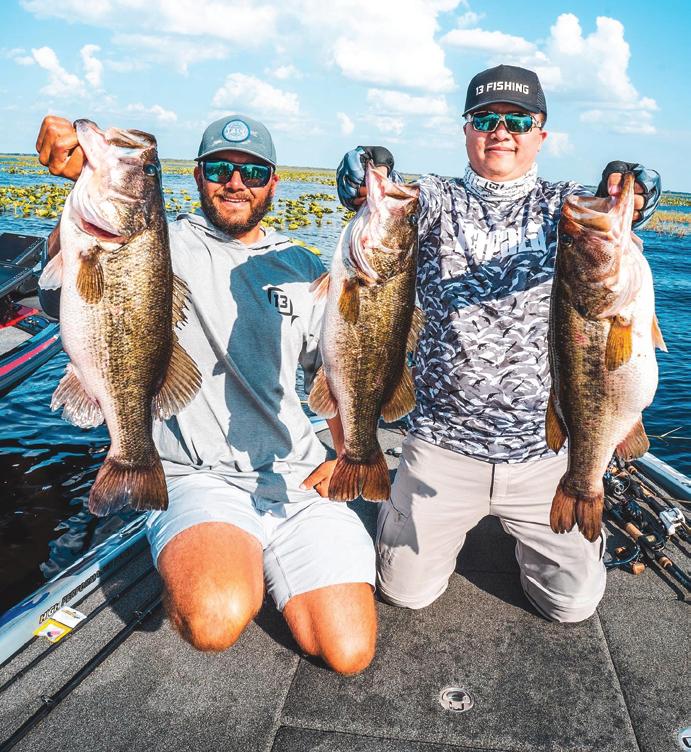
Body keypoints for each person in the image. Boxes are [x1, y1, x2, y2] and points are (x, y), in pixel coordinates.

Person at [318, 64, 661, 622]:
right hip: (439, 446)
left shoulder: (566, 207)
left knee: (571, 605)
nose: (501, 131)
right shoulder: (434, 199)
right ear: (466, 130)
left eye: (518, 121)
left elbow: (608, 221)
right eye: (485, 119)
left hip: (543, 453)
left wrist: (630, 195)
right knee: (404, 593)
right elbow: (384, 202)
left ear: (541, 134)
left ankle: (533, 532)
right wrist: (366, 174)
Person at [36, 114, 377, 674]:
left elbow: (334, 370)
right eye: (219, 169)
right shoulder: (160, 241)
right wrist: (78, 184)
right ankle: (224, 550)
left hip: (294, 474)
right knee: (214, 617)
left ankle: (256, 552)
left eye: (253, 172)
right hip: (198, 476)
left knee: (349, 652)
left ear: (273, 183)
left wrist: (345, 454)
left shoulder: (305, 264)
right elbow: (62, 295)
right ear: (197, 176)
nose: (235, 182)